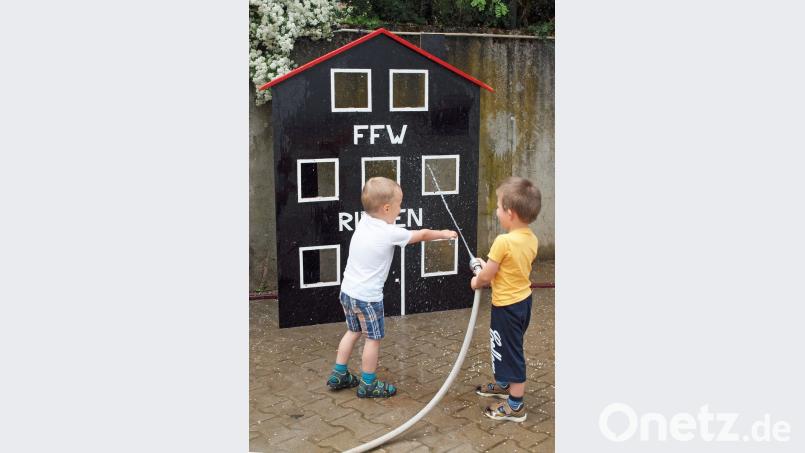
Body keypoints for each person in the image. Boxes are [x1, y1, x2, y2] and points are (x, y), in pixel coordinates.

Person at [326, 177, 457, 398]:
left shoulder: (364, 221)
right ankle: (368, 383)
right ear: (387, 208)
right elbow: (423, 235)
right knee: (372, 338)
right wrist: (444, 234)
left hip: (348, 292)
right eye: (399, 205)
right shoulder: (389, 232)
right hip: (368, 298)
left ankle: (339, 374)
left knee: (353, 331)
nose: (401, 209)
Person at [471, 176, 541, 421]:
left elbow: (488, 276)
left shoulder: (503, 241)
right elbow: (509, 267)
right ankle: (503, 385)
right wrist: (485, 264)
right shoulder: (531, 238)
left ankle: (515, 406)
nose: (496, 212)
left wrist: (476, 277)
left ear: (510, 213)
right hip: (523, 303)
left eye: (499, 208)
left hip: (507, 308)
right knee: (505, 348)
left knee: (511, 353)